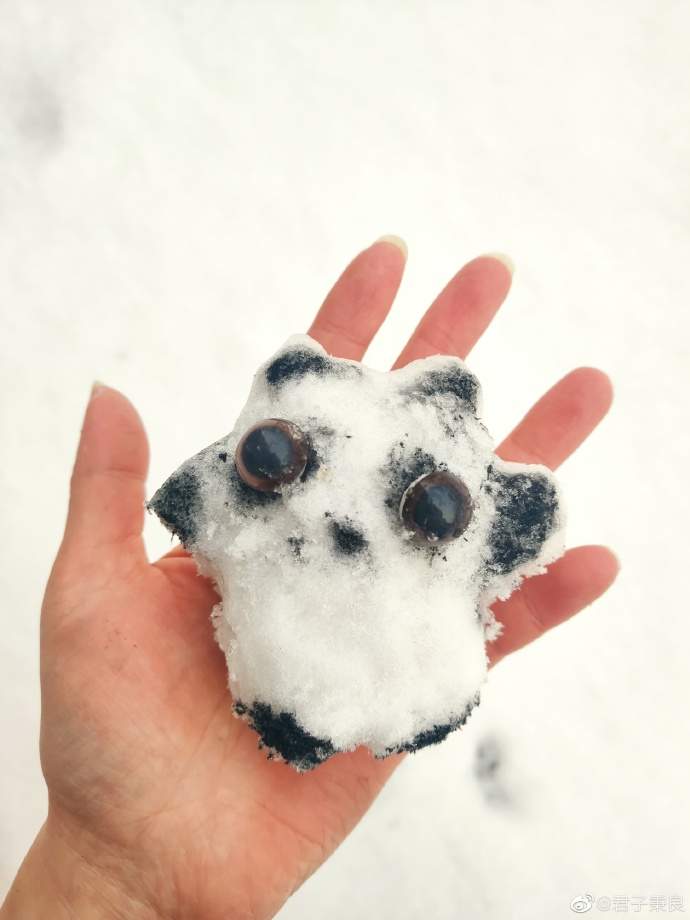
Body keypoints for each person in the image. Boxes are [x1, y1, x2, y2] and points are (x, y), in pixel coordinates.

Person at [0, 238, 618, 919]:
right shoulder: (253, 523)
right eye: (285, 467)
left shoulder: (426, 649)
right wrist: (108, 873)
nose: (341, 518)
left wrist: (106, 879)